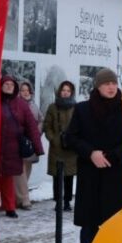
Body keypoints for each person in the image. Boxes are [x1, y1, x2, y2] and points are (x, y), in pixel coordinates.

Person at [62, 67, 122, 243]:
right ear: (98, 86)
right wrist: (91, 153)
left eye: (114, 83)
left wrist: (113, 155)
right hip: (90, 175)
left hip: (116, 175)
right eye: (106, 83)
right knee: (90, 223)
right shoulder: (83, 109)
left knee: (114, 223)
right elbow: (71, 138)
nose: (111, 87)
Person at [0, 74, 43, 218]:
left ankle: (10, 207)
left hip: (13, 148)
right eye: (6, 84)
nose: (9, 87)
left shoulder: (21, 104)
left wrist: (38, 148)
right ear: (0, 86)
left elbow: (31, 126)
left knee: (8, 179)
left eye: (11, 85)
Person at [43, 80, 78, 210]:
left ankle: (67, 201)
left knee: (69, 177)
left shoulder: (76, 107)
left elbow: (80, 126)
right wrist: (53, 139)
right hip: (56, 148)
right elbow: (47, 125)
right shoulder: (53, 107)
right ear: (59, 91)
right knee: (57, 177)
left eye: (68, 91)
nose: (65, 93)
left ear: (72, 92)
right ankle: (58, 202)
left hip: (71, 148)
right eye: (63, 90)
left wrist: (75, 140)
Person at [14, 80, 43, 209]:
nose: (25, 93)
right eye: (22, 90)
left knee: (27, 170)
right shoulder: (16, 105)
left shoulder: (34, 105)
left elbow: (41, 120)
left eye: (27, 90)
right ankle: (24, 199)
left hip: (31, 143)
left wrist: (37, 131)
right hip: (20, 142)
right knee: (20, 172)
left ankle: (19, 198)